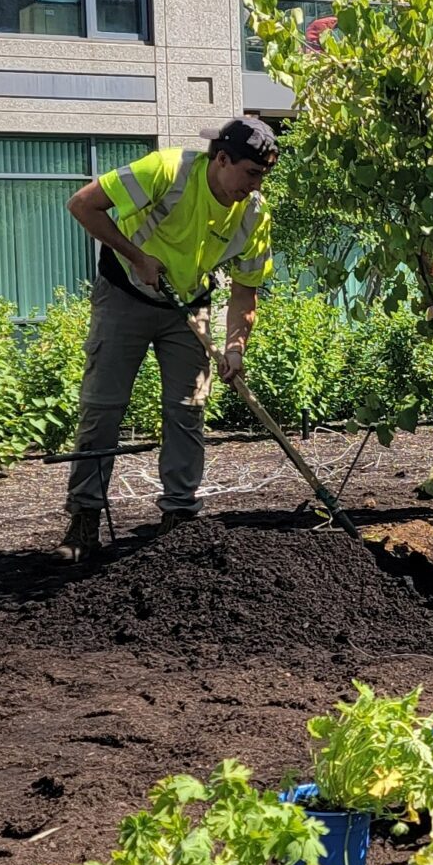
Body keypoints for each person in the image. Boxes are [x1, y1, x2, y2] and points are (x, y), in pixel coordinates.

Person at [56, 118, 278, 561]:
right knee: (103, 408)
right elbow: (82, 204)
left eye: (262, 177)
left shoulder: (254, 214)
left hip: (189, 307)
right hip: (124, 294)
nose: (255, 186)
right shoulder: (167, 170)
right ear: (222, 159)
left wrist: (235, 348)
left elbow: (245, 291)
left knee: (187, 409)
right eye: (251, 173)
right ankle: (84, 518)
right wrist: (137, 256)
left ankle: (179, 518)